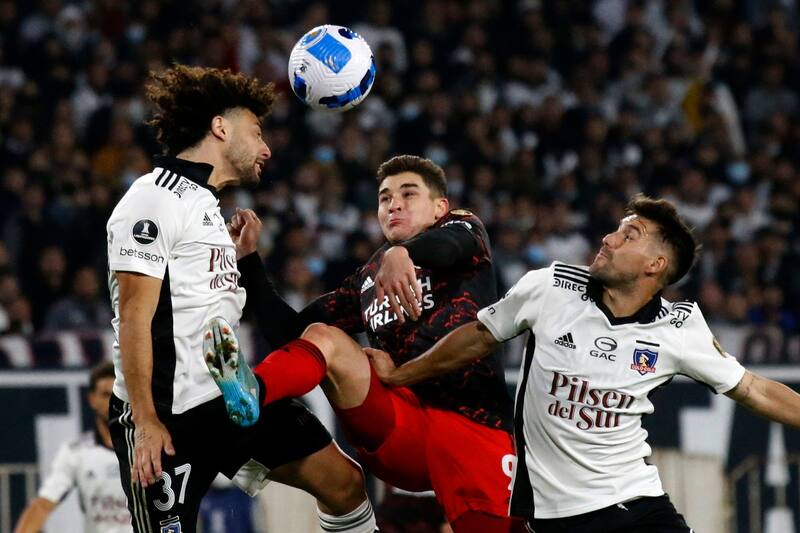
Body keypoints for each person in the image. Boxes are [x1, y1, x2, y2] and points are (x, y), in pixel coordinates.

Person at [366, 194, 800, 532]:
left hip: (637, 507)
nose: (609, 239)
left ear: (656, 265)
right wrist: (402, 374)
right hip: (552, 518)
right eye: (616, 230)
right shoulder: (549, 288)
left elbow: (753, 388)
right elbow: (479, 336)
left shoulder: (679, 328)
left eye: (629, 236)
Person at [105, 64, 375, 533]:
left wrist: (246, 260)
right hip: (169, 417)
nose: (266, 147)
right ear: (220, 128)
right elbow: (133, 318)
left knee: (344, 483)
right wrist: (145, 421)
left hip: (230, 401)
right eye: (257, 131)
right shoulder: (153, 199)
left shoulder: (208, 208)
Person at [214, 155, 526, 532]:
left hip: (471, 425)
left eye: (408, 194)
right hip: (399, 424)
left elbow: (449, 245)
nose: (394, 204)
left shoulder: (464, 228)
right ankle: (252, 391)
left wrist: (402, 252)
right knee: (323, 337)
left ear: (440, 207)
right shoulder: (368, 279)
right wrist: (249, 261)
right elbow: (291, 335)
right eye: (385, 198)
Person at [14, 361, 132, 533]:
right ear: (92, 399)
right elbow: (43, 505)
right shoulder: (76, 452)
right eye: (106, 395)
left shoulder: (147, 447)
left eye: (118, 395)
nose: (113, 402)